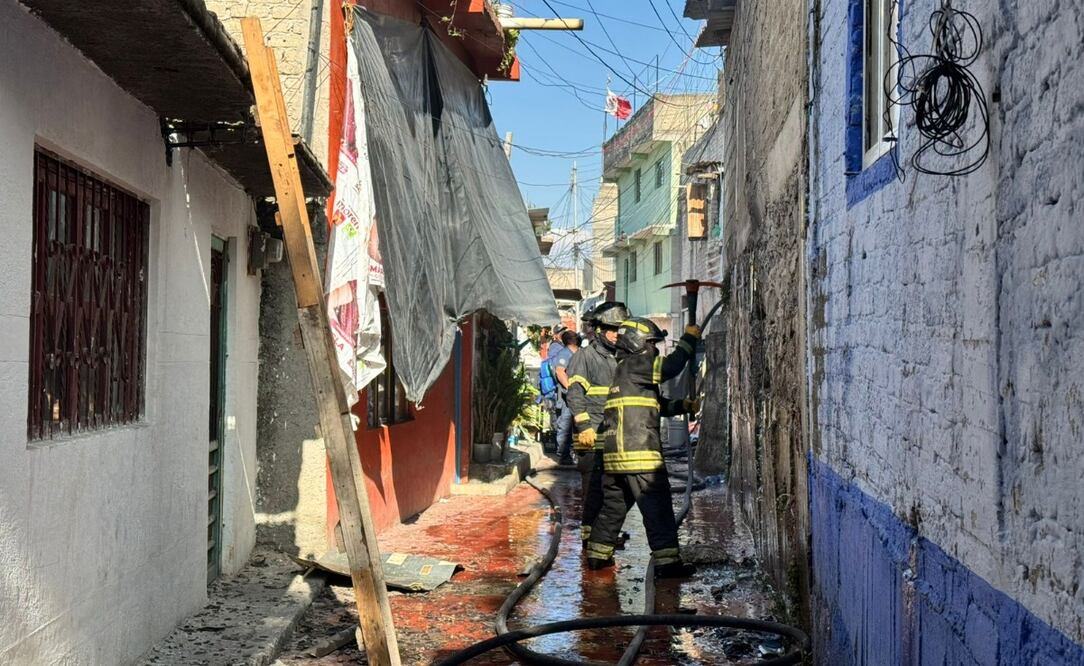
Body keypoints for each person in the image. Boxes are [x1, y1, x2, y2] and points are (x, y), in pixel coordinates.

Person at [585, 317, 702, 578]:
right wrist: (688, 340)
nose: (654, 348)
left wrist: (682, 406)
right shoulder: (636, 363)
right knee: (657, 507)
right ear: (636, 342)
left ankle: (597, 556)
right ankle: (667, 563)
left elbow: (656, 405)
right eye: (651, 343)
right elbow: (671, 367)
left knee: (613, 507)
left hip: (616, 458)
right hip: (639, 454)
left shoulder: (625, 371)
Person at [565, 301, 629, 546]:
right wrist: (584, 428)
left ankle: (604, 535)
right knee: (594, 492)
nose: (617, 334)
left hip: (613, 438)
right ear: (599, 330)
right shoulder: (585, 357)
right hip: (591, 439)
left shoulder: (620, 357)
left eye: (620, 329)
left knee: (613, 493)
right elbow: (575, 394)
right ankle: (590, 539)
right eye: (612, 329)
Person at [549, 330, 580, 465]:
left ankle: (573, 453)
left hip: (579, 395)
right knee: (566, 424)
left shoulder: (580, 353)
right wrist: (570, 388)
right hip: (568, 396)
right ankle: (563, 455)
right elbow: (560, 372)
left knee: (576, 424)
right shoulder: (564, 354)